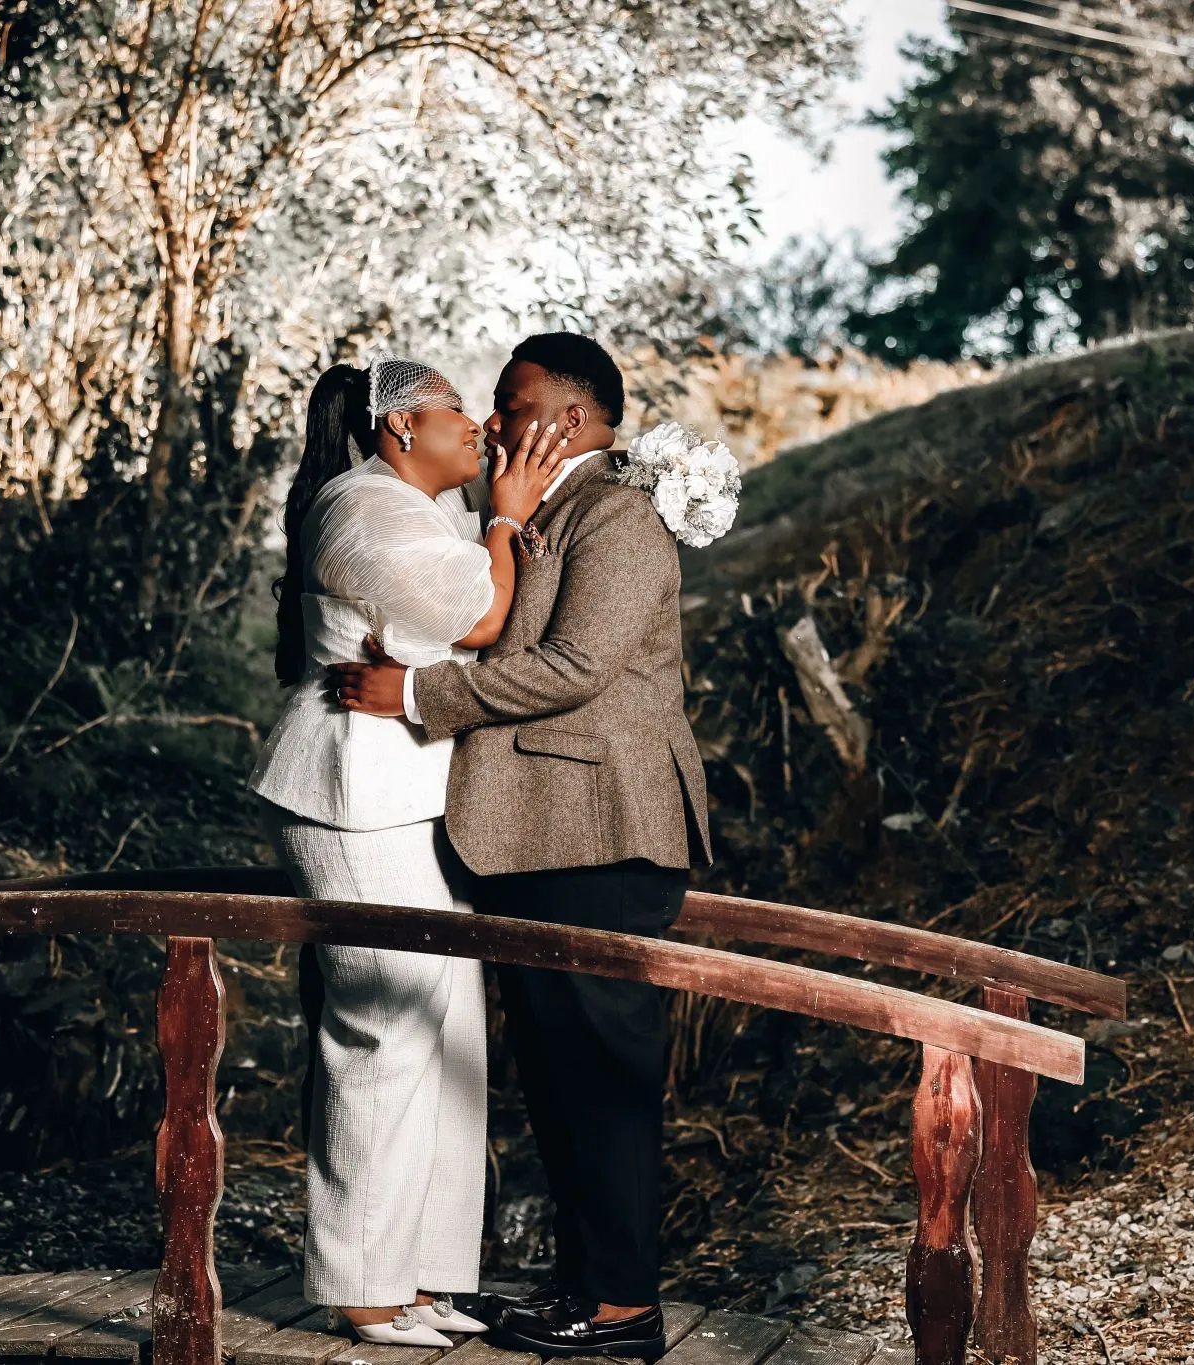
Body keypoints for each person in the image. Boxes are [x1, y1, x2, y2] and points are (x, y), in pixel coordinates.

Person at [328, 333, 713, 1360]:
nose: (494, 421)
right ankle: (581, 1290)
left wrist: (414, 695)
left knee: (604, 1075)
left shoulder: (618, 515)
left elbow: (576, 667)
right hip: (534, 838)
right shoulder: (536, 511)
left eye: (512, 401)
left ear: (574, 419)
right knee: (556, 1076)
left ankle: (625, 1309)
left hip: (601, 829)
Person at [249, 355, 571, 1347]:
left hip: (412, 791)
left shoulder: (410, 511)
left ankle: (421, 1275)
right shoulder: (362, 506)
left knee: (450, 1033)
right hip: (353, 794)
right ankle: (360, 1282)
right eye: (453, 415)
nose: (476, 427)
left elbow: (461, 628)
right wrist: (507, 519)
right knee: (382, 1025)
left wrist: (484, 547)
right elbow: (478, 617)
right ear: (399, 431)